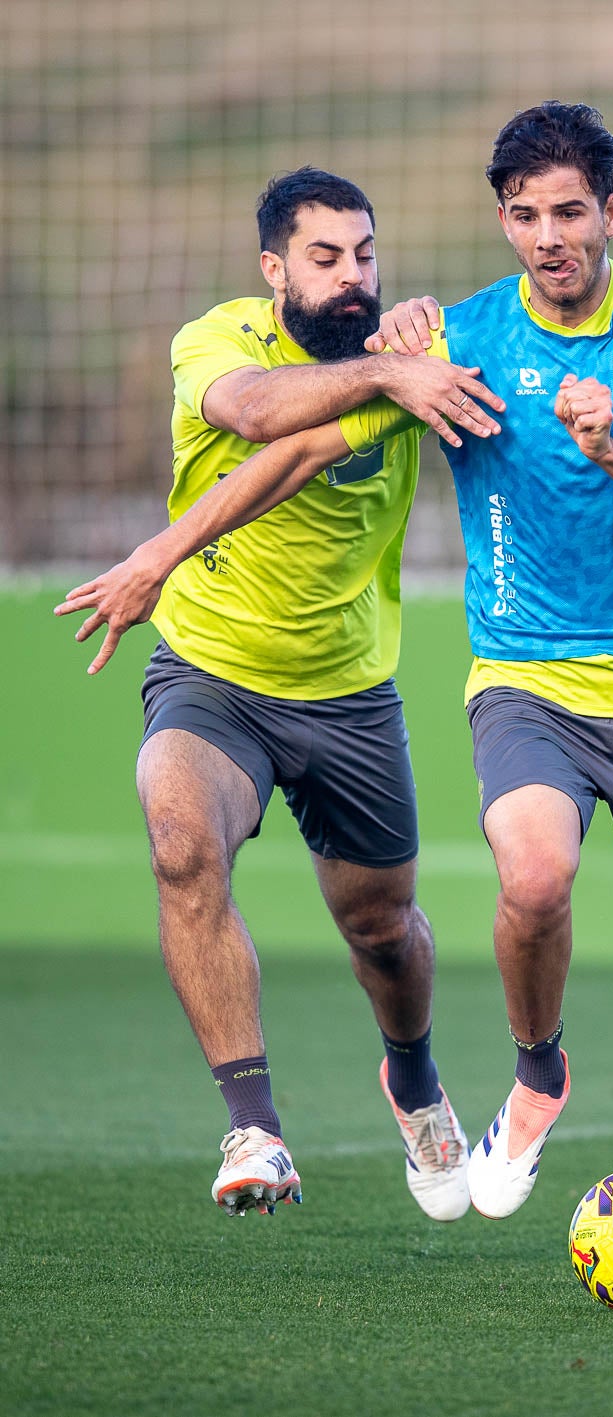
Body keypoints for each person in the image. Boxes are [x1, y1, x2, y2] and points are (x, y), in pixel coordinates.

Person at [59, 111, 613, 1289]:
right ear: (503, 221)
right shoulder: (450, 345)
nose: (549, 237)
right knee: (519, 872)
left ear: (612, 210)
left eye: (569, 212)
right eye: (525, 215)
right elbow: (273, 442)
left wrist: (607, 451)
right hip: (511, 678)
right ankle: (513, 1078)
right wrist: (158, 556)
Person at [56, 165, 507, 1223]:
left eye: (365, 253)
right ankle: (253, 1124)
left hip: (349, 694)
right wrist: (389, 376)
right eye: (323, 257)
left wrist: (406, 368)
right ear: (274, 270)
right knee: (178, 837)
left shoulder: (408, 364)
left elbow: (311, 453)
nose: (351, 276)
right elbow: (259, 420)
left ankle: (411, 1073)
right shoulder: (216, 342)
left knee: (382, 929)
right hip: (211, 672)